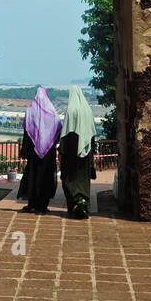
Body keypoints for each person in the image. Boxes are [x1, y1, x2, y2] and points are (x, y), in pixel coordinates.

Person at [17, 87, 61, 213]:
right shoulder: (53, 113)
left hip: (33, 152)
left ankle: (32, 203)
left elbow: (26, 132)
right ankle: (43, 205)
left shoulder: (30, 111)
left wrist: (25, 151)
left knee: (32, 177)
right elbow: (58, 130)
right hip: (48, 153)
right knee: (46, 178)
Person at [59, 85, 97, 219]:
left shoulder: (70, 110)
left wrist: (61, 151)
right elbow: (92, 133)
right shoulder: (88, 110)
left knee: (68, 178)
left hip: (71, 150)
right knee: (83, 179)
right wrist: (92, 152)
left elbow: (65, 133)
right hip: (86, 151)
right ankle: (84, 203)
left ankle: (74, 205)